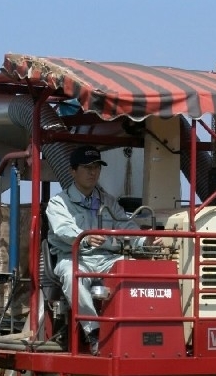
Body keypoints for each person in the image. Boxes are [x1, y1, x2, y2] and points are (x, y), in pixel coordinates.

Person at [46, 146, 162, 355]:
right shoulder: (58, 203)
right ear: (73, 171)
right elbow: (63, 229)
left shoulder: (109, 202)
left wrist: (145, 241)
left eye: (97, 167)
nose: (93, 172)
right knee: (74, 277)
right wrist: (85, 237)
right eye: (87, 167)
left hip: (108, 258)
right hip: (74, 257)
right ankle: (95, 334)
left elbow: (126, 228)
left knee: (136, 271)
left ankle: (138, 332)